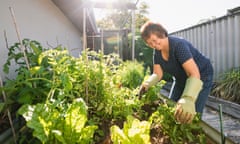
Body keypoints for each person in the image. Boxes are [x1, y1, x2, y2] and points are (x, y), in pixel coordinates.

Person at [139, 21, 213, 124]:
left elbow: (194, 73)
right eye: (150, 44)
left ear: (162, 34)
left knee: (190, 113)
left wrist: (188, 98)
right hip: (181, 78)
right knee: (171, 107)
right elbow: (157, 73)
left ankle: (193, 134)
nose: (154, 45)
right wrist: (147, 84)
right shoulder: (157, 52)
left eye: (154, 40)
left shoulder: (178, 46)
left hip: (201, 76)